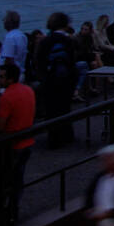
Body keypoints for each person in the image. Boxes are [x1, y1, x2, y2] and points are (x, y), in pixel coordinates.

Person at [0, 62, 35, 226]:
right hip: (27, 141)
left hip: (12, 145)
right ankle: (13, 210)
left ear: (9, 78)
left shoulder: (6, 97)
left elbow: (0, 126)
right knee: (18, 179)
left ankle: (2, 214)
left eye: (1, 76)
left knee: (4, 181)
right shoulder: (28, 90)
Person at [36, 13, 77, 148]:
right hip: (65, 80)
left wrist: (43, 78)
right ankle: (67, 135)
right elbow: (72, 61)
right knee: (64, 107)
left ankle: (53, 138)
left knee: (51, 110)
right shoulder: (68, 41)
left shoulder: (45, 41)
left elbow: (38, 62)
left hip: (49, 80)